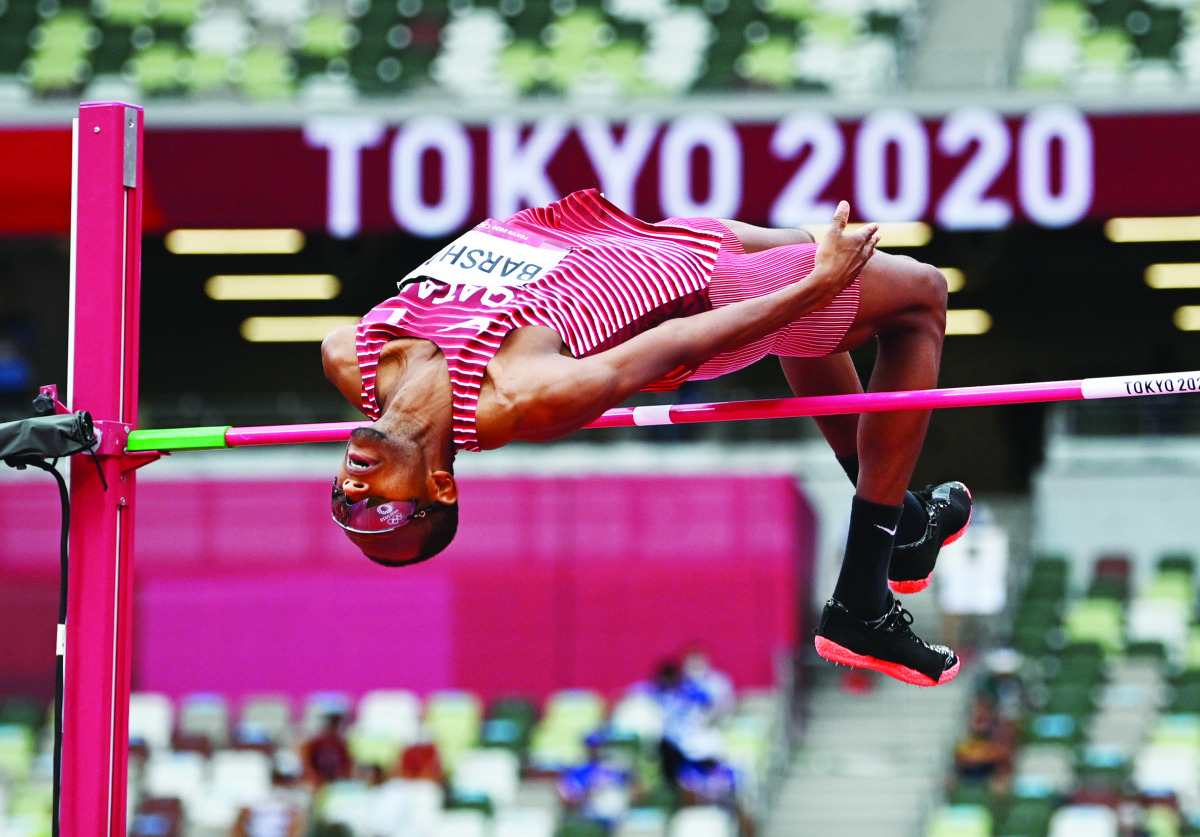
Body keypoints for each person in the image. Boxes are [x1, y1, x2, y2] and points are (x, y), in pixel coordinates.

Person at [321, 189, 972, 686]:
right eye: (381, 509)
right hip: (696, 298)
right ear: (440, 485)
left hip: (629, 244)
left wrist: (813, 288)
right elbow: (674, 344)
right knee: (919, 294)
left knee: (821, 270)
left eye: (346, 505)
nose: (356, 490)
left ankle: (908, 528)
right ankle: (863, 599)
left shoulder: (350, 355)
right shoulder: (520, 397)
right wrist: (813, 288)